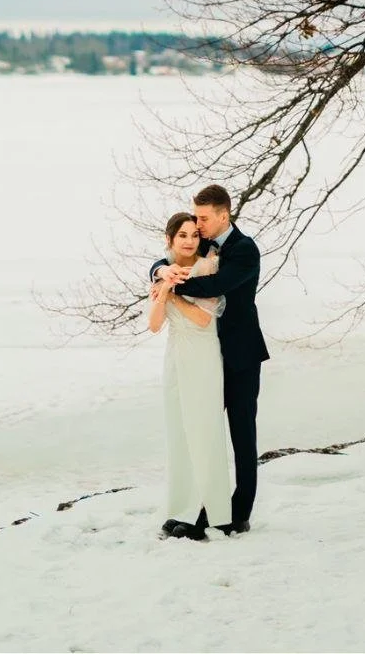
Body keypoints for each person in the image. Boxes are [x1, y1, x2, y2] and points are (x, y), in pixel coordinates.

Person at [151, 184, 269, 535]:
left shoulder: (246, 250)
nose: (198, 225)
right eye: (196, 217)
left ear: (223, 215)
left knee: (241, 434)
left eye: (203, 218)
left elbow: (213, 285)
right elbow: (172, 254)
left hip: (241, 354)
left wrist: (170, 287)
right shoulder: (203, 243)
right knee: (203, 434)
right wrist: (159, 272)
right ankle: (202, 509)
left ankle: (239, 514)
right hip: (206, 356)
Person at [148, 211, 231, 541]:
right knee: (179, 433)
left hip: (203, 355)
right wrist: (164, 287)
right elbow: (154, 325)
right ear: (170, 240)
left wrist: (175, 295)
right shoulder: (163, 271)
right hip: (175, 357)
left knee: (204, 430)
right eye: (182, 235)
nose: (189, 240)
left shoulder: (209, 266)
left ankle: (211, 510)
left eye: (194, 235)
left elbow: (202, 319)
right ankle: (181, 506)